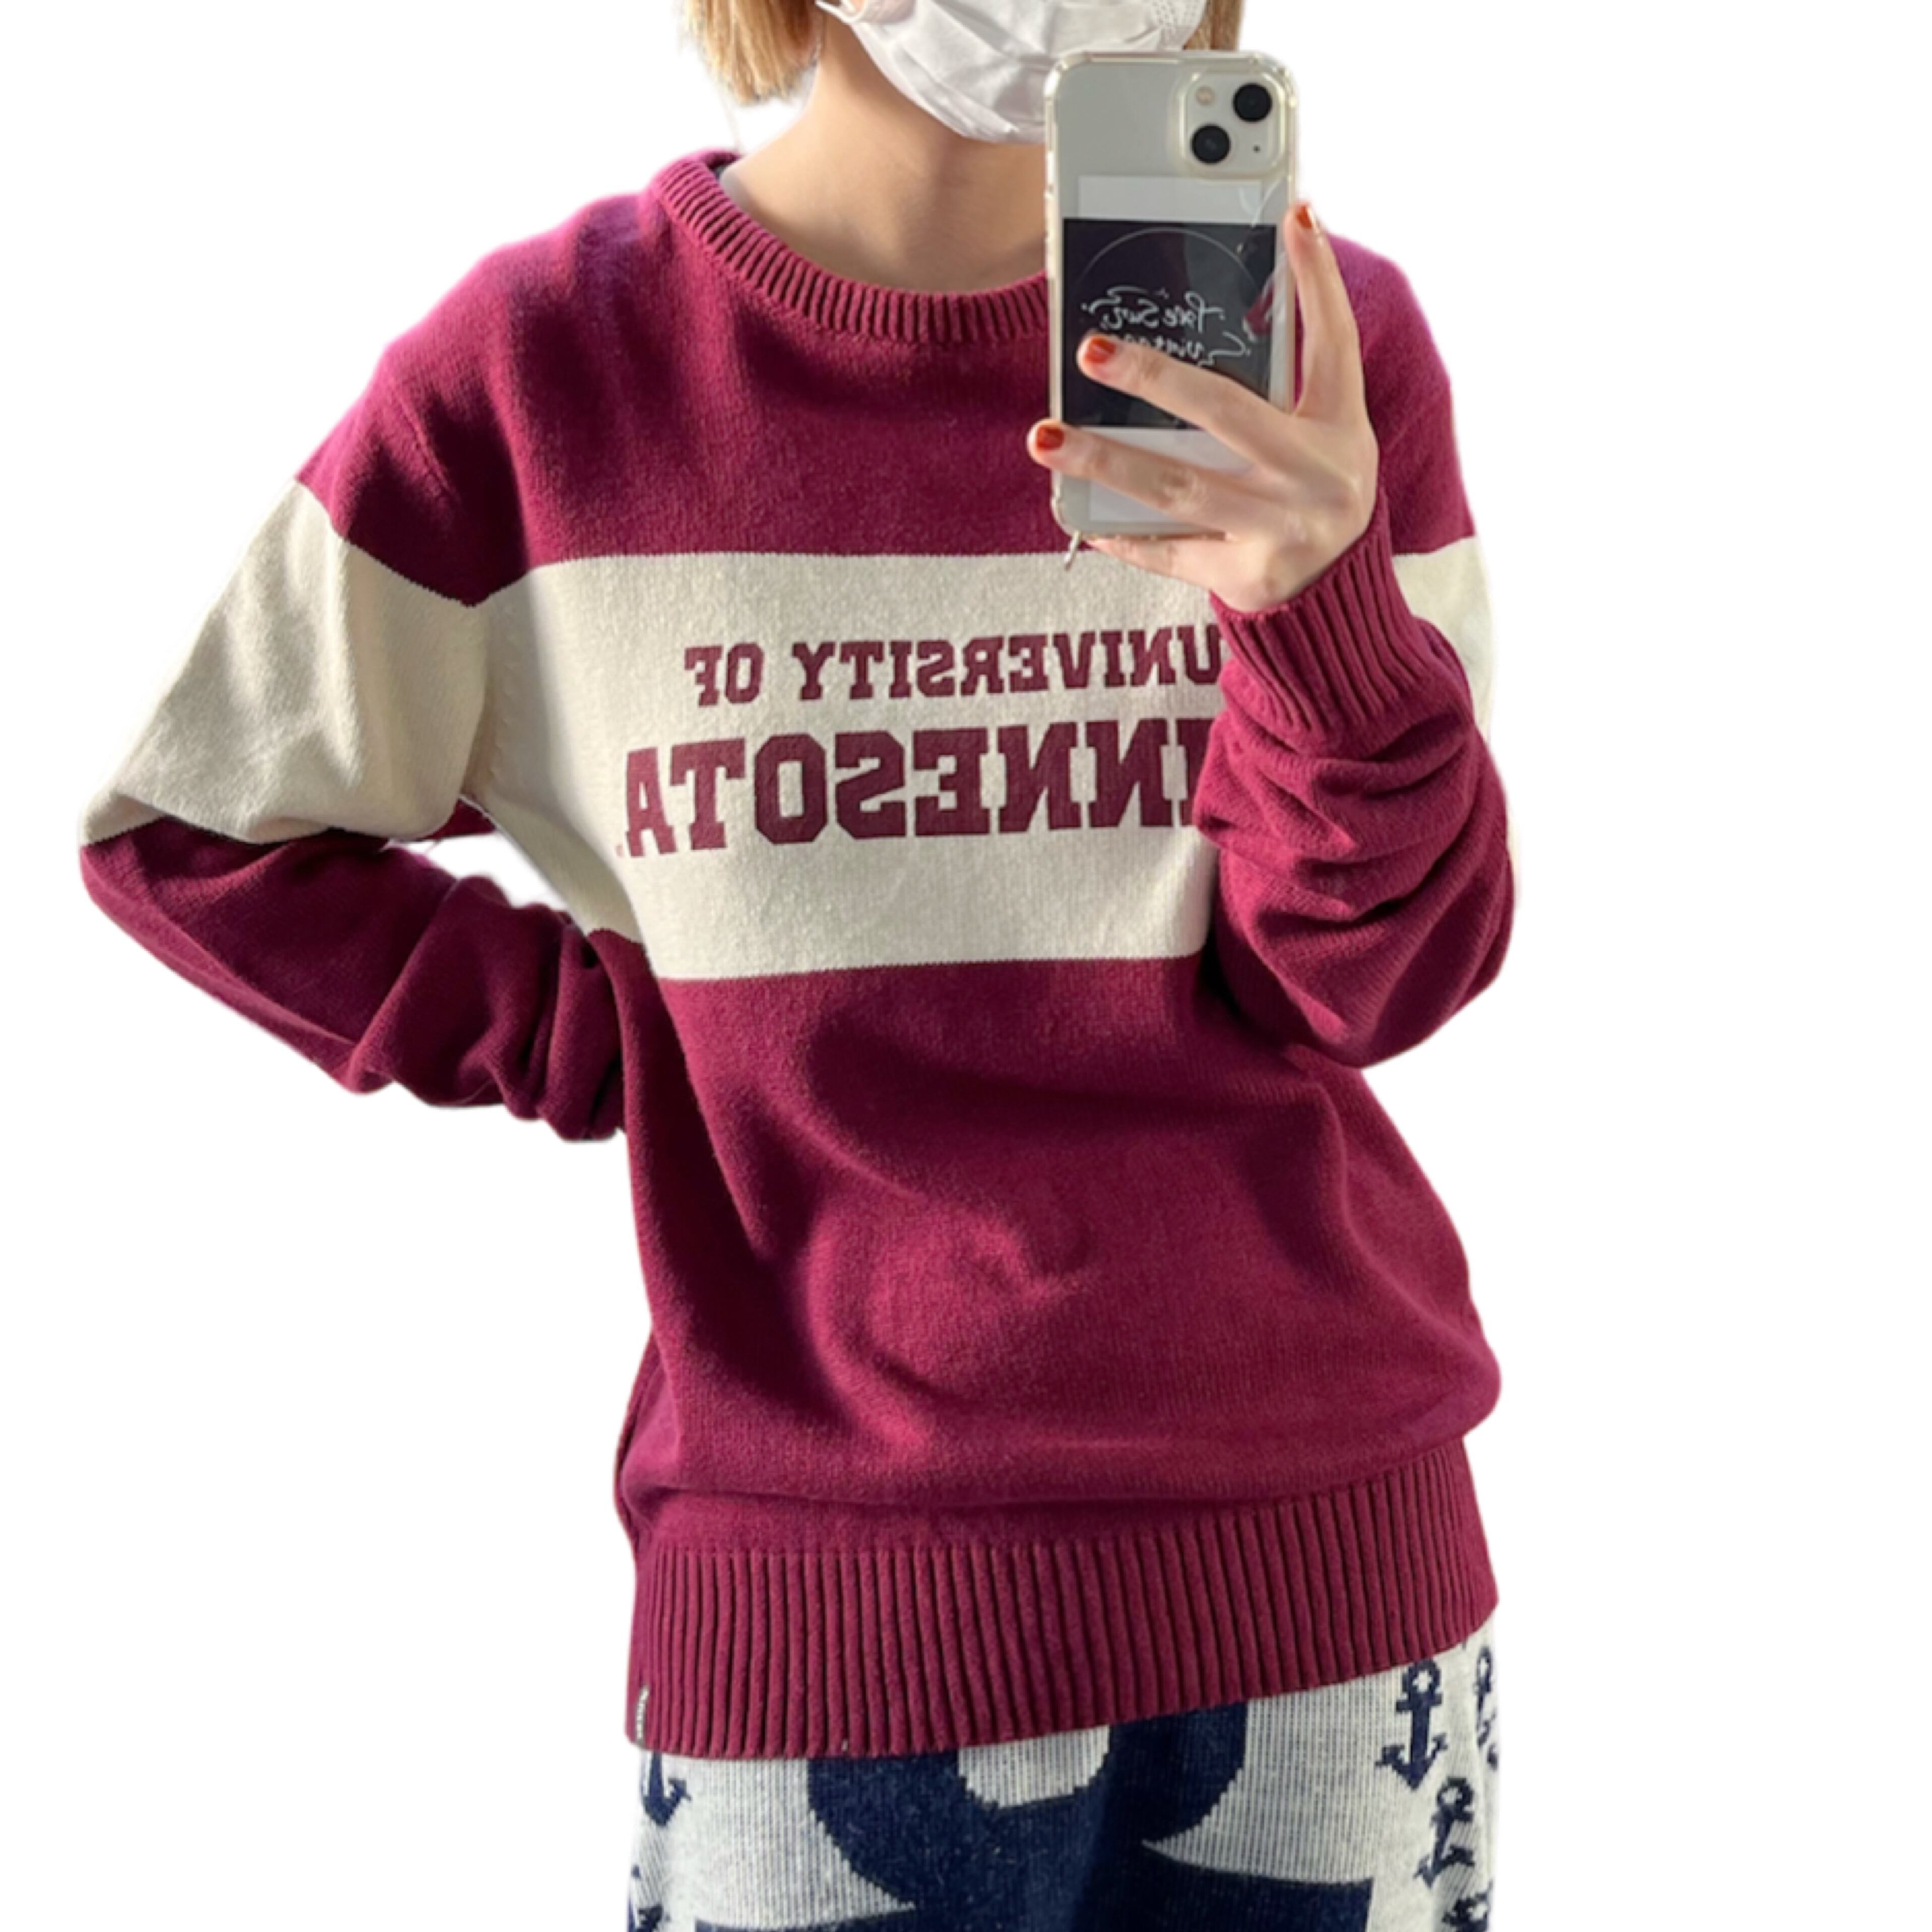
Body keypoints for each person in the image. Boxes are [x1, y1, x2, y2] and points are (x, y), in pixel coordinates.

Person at [75, 0, 1515, 1920]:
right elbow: (194, 825)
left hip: (1329, 1595)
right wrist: (608, 1029)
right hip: (817, 1612)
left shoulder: (1311, 352)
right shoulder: (541, 374)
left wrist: (1314, 607)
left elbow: (1377, 980)